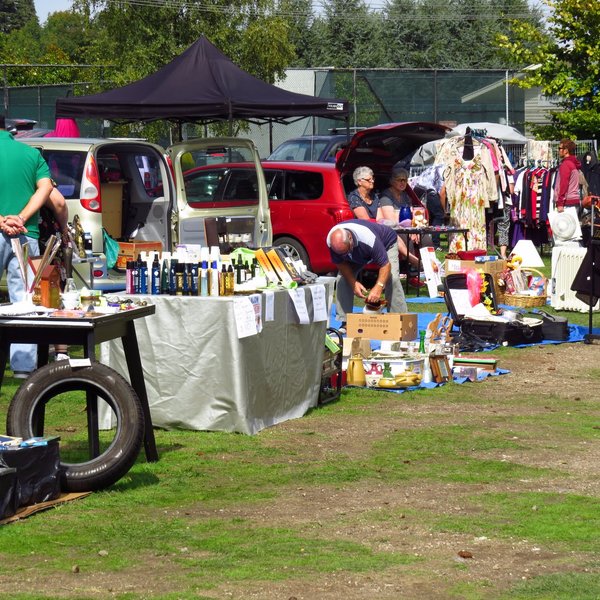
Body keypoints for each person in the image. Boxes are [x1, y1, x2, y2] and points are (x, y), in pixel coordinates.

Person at [0, 114, 53, 377]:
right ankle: (23, 368)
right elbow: (44, 189)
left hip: (12, 227)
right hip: (25, 233)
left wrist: (1, 220)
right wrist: (19, 218)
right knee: (24, 301)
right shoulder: (31, 155)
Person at [348, 166, 424, 287]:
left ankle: (420, 266)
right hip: (364, 232)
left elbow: (380, 218)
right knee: (393, 235)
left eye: (372, 178)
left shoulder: (374, 196)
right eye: (369, 180)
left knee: (413, 235)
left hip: (376, 228)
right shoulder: (354, 198)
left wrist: (385, 224)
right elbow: (365, 220)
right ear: (359, 182)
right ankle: (413, 261)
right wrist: (383, 224)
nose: (372, 181)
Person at [327, 219, 407, 329]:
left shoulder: (368, 238)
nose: (345, 256)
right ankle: (345, 322)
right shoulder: (333, 242)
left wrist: (378, 288)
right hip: (360, 252)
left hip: (386, 243)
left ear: (350, 238)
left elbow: (385, 266)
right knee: (342, 279)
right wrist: (353, 283)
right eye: (342, 254)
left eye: (346, 252)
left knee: (392, 279)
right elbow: (341, 263)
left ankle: (399, 321)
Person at [554, 138, 582, 213]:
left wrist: (560, 203)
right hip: (574, 201)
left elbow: (563, 184)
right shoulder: (573, 164)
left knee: (564, 224)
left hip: (567, 203)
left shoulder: (566, 164)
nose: (558, 150)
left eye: (560, 148)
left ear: (566, 150)